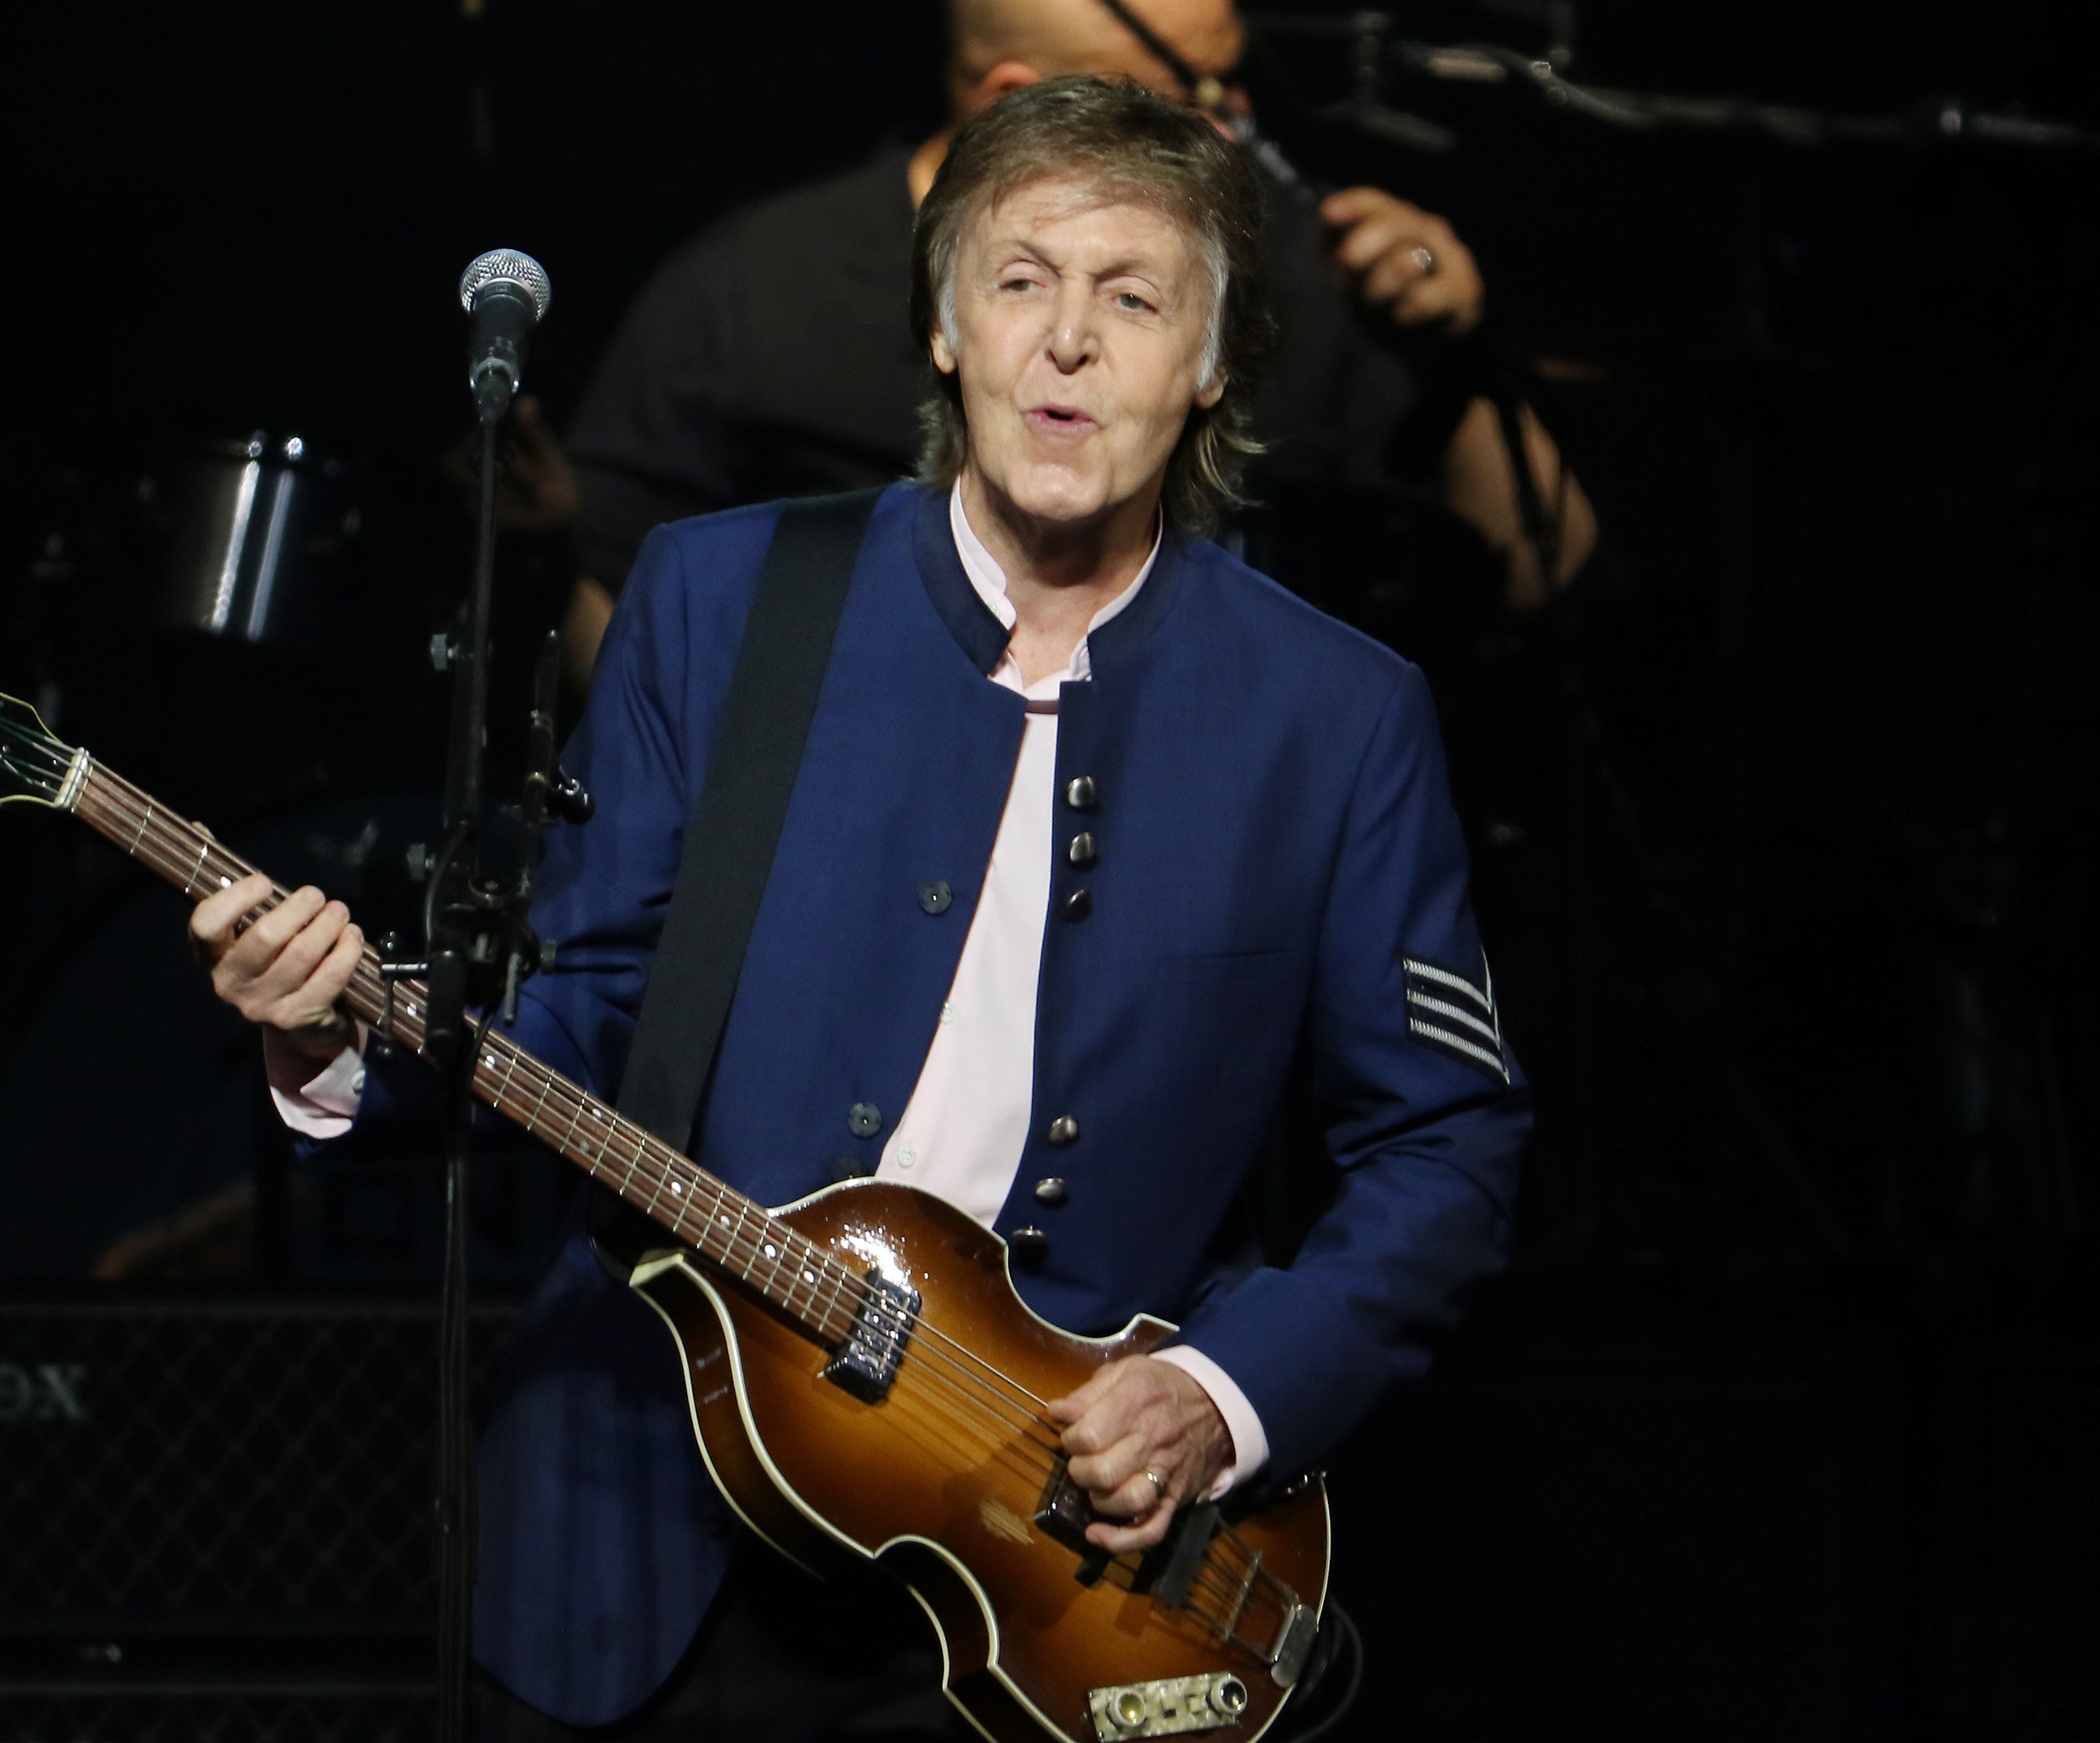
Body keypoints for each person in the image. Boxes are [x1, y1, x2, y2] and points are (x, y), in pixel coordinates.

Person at [190, 75, 1526, 1737]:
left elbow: (1445, 1151)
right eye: (1019, 280)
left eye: (1132, 297)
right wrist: (341, 1038)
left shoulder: (1335, 713)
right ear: (947, 327)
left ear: (1208, 366)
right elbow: (591, 1009)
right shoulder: (728, 595)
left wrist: (1217, 1395)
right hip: (644, 1538)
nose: (1065, 342)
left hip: (1064, 1580)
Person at [543, 0, 1597, 691]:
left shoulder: (1281, 275)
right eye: (1185, 101)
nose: (1230, 137)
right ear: (1016, 104)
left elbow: (1548, 569)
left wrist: (1454, 365)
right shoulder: (756, 287)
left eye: (1237, 93)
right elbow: (614, 619)